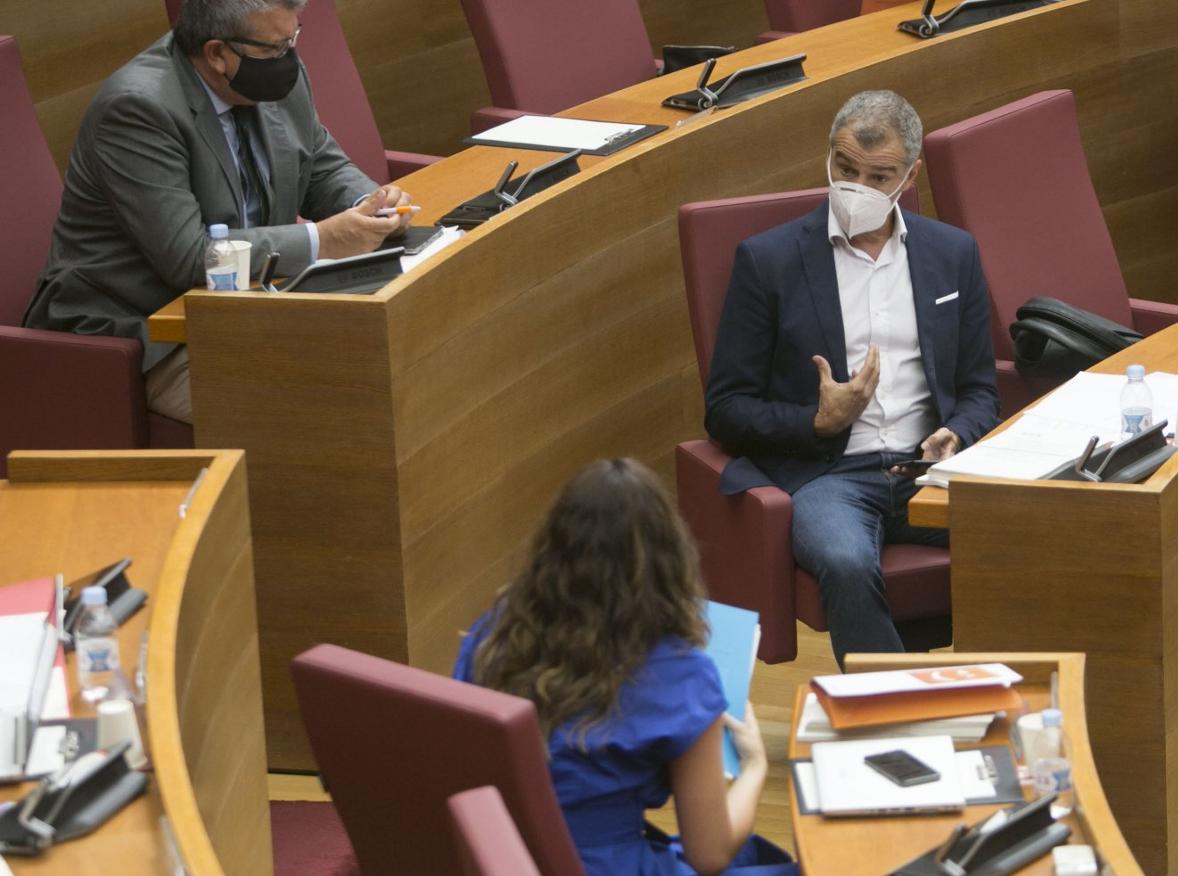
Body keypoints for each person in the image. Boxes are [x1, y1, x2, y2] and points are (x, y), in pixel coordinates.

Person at [704, 90, 999, 666]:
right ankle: (894, 726)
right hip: (829, 475)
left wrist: (956, 434)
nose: (857, 187)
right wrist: (817, 421)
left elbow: (980, 388)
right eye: (845, 169)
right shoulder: (769, 261)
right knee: (843, 560)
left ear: (909, 176)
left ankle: (1011, 699)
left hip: (928, 469)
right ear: (828, 158)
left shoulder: (951, 253)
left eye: (878, 175)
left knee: (1039, 531)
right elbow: (724, 408)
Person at [22, 0, 414, 424]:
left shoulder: (272, 76)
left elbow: (317, 163)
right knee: (320, 409)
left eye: (293, 38)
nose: (289, 58)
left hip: (244, 308)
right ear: (216, 54)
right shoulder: (138, 109)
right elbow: (189, 256)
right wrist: (324, 240)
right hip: (143, 330)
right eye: (274, 49)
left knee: (396, 358)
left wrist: (370, 205)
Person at [454, 459, 795, 876]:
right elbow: (709, 854)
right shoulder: (682, 675)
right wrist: (756, 765)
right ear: (668, 559)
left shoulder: (492, 636)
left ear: (554, 548)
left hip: (501, 858)